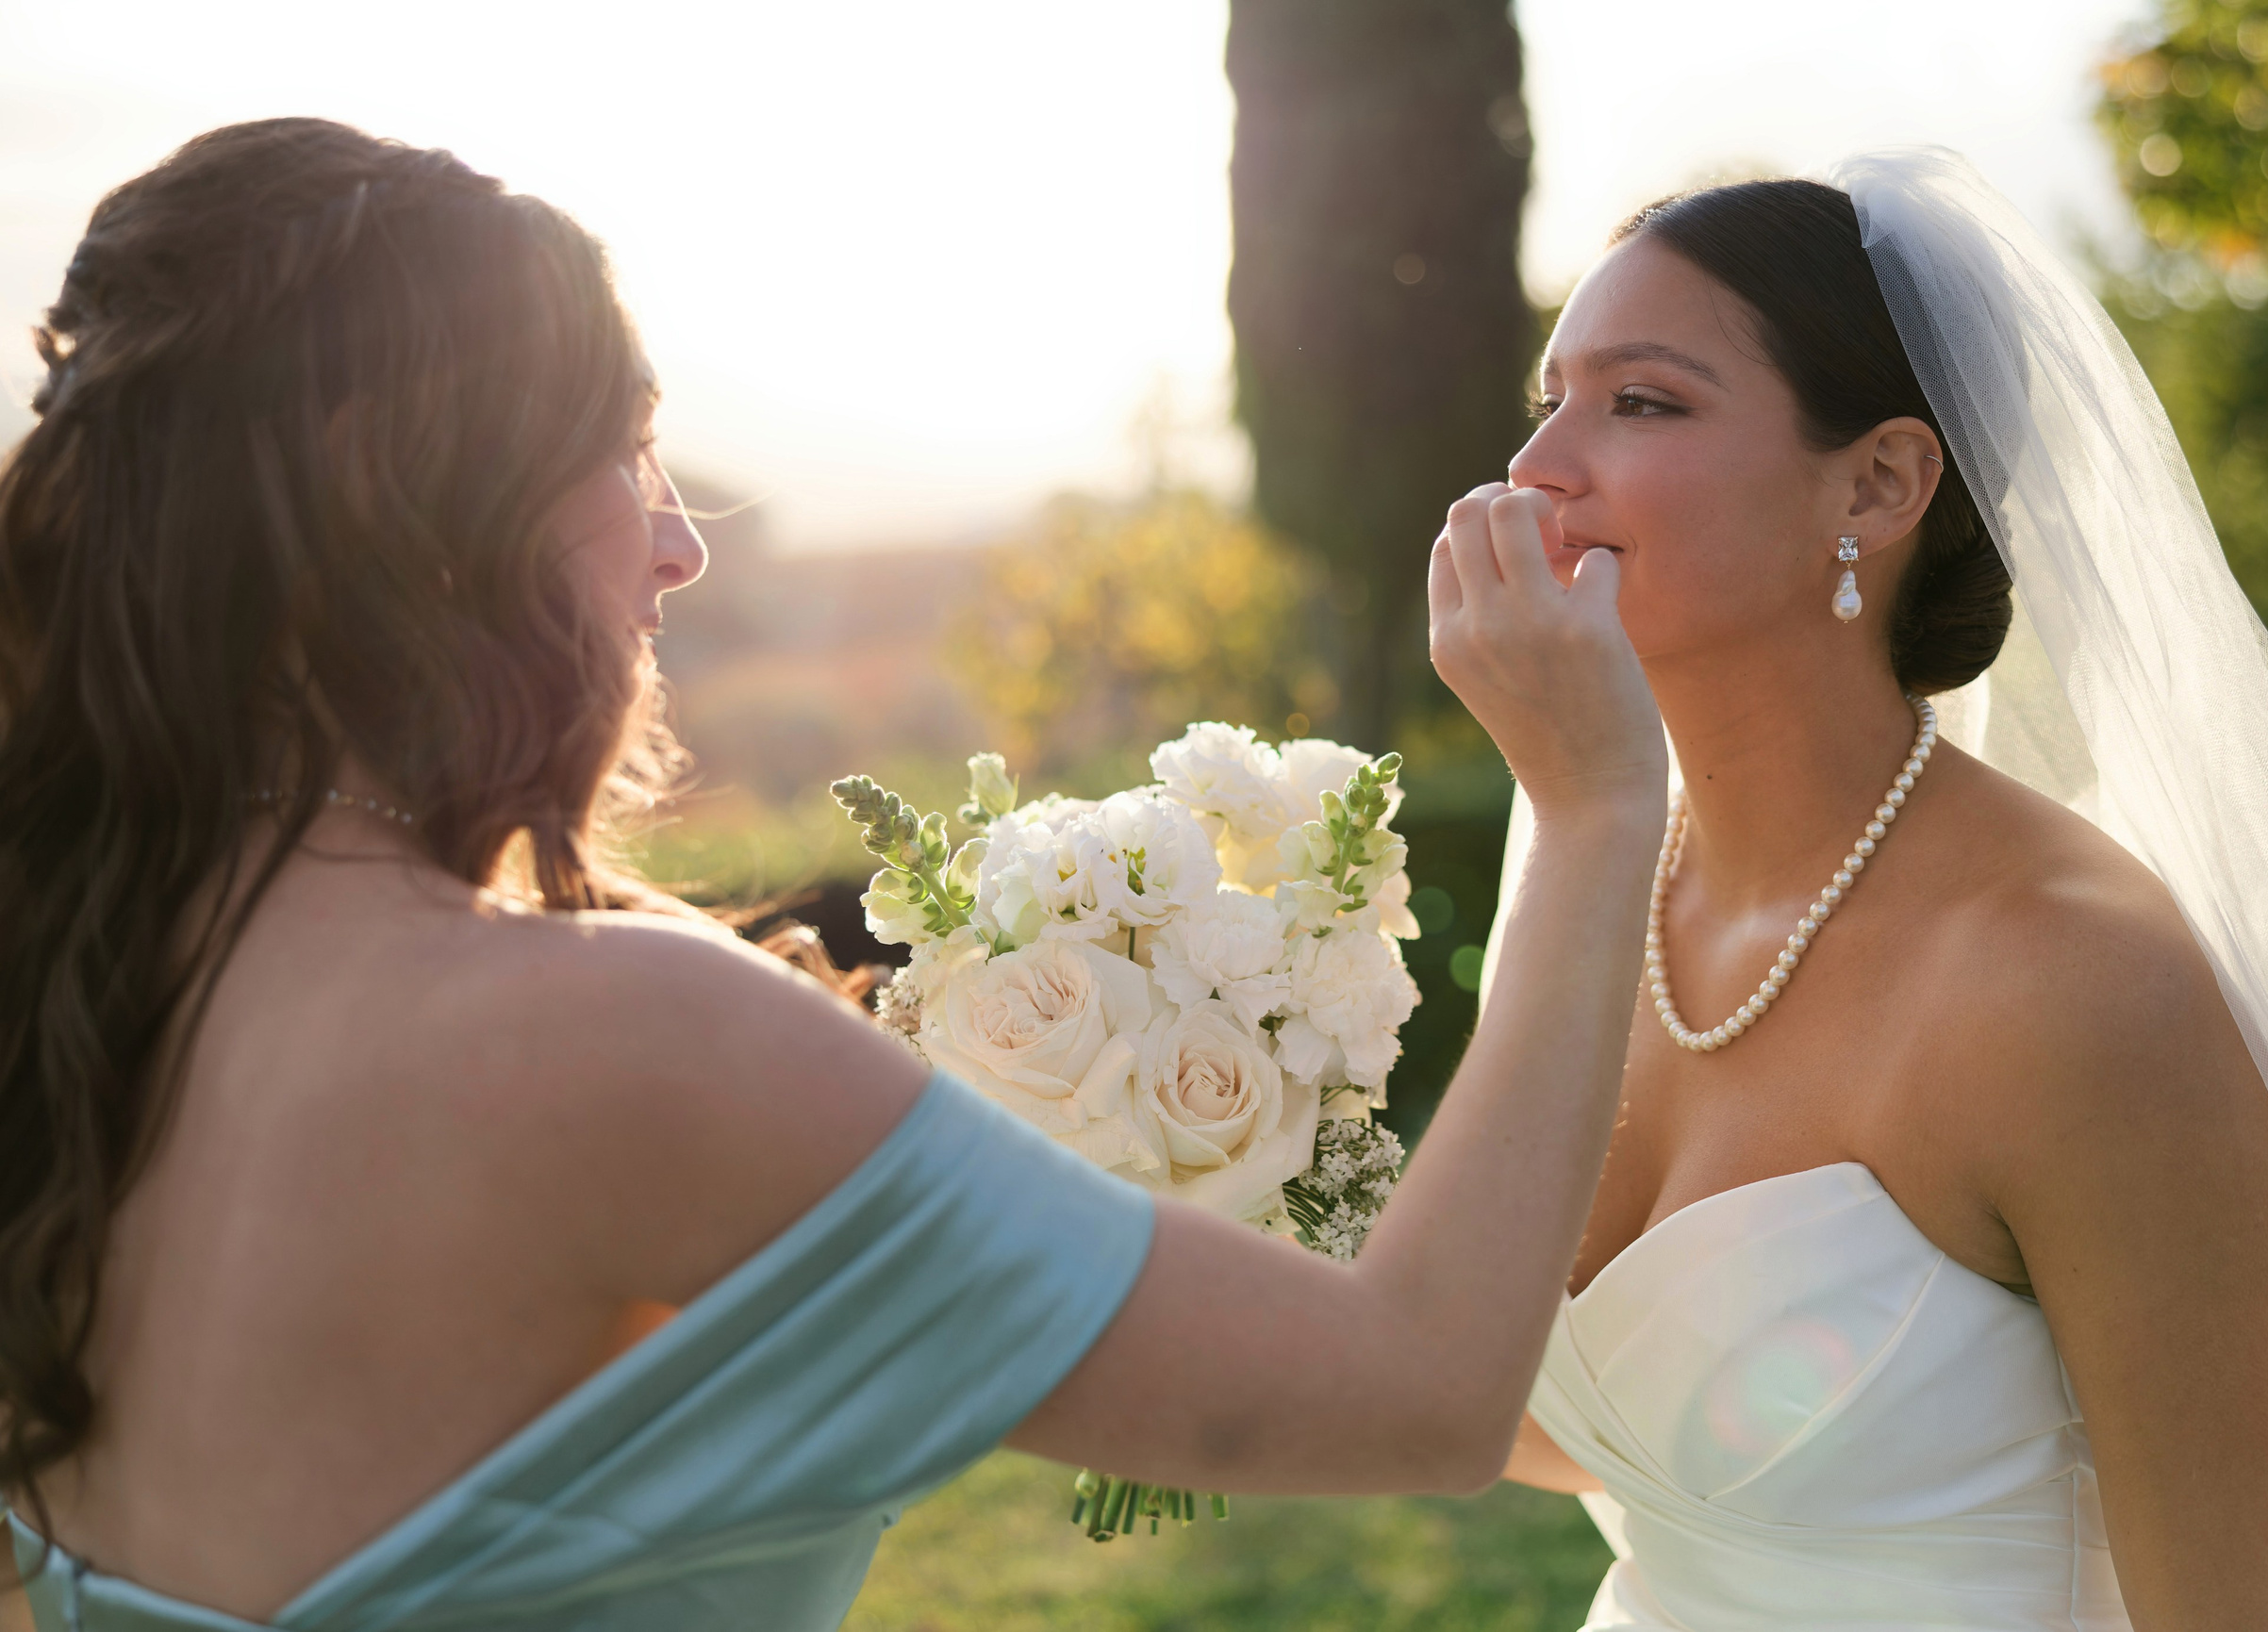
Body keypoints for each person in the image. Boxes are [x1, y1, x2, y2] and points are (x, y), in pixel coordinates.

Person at [0, 120, 1670, 1629]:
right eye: (622, 451)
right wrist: (1595, 811)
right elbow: (1423, 1393)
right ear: (408, 500)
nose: (679, 542)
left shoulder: (74, 982)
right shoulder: (611, 1034)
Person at [1486, 152, 2268, 1632]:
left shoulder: (2085, 986)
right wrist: (1255, 1160)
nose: (1539, 466)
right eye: (1552, 400)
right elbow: (1609, 1435)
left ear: (1878, 484)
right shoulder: (1598, 888)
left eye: (1641, 402)